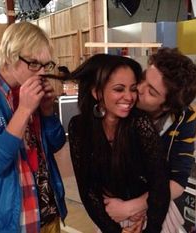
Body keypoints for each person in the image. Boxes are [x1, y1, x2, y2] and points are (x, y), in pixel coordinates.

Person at [68, 53, 170, 233]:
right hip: (110, 220)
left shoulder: (140, 123)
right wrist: (113, 231)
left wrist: (150, 229)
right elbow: (88, 190)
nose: (129, 97)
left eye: (132, 89)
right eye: (119, 89)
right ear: (97, 92)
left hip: (153, 217)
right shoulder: (79, 127)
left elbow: (159, 186)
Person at [103, 47, 196, 232]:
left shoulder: (184, 118)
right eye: (143, 78)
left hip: (157, 205)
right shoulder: (123, 103)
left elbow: (178, 181)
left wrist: (135, 207)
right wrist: (122, 208)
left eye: (152, 92)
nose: (138, 89)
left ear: (168, 106)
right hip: (114, 201)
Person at [0, 22, 67, 233]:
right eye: (35, 64)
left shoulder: (28, 90)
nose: (42, 73)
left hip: (47, 211)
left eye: (47, 65)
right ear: (11, 56)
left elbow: (56, 144)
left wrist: (47, 111)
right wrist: (24, 110)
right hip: (12, 220)